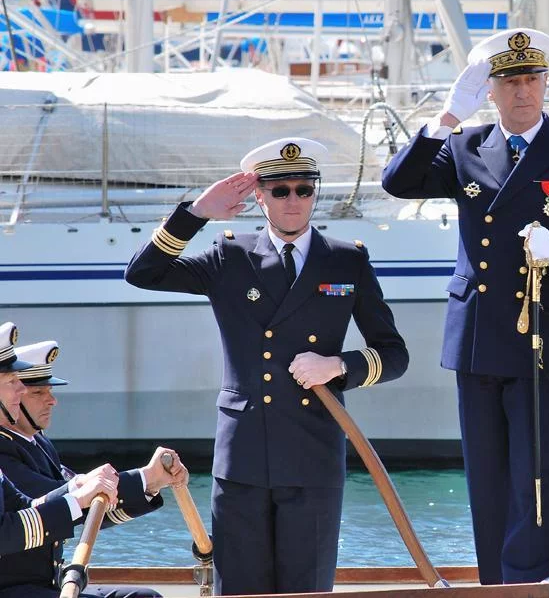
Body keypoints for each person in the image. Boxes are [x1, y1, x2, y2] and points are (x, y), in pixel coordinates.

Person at [382, 28, 549, 584]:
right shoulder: (465, 147)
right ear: (489, 90)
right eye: (510, 81)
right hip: (478, 333)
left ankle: (528, 584)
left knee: (536, 471)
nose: (523, 91)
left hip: (542, 332)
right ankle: (495, 585)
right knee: (486, 474)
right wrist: (446, 117)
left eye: (532, 78)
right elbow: (399, 183)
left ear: (546, 83)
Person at [124, 137, 409, 595]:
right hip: (244, 456)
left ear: (315, 193)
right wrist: (196, 213)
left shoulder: (347, 260)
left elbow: (394, 355)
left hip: (313, 456)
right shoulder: (230, 255)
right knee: (240, 589)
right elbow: (143, 273)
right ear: (260, 196)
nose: (294, 200)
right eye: (280, 190)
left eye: (304, 189)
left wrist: (337, 365)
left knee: (305, 588)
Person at [0, 339, 189, 598]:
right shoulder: (5, 449)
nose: (51, 401)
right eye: (36, 392)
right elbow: (50, 505)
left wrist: (151, 484)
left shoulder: (38, 444)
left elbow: (50, 505)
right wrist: (144, 477)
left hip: (43, 585)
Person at [0, 323, 119, 598]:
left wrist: (79, 490)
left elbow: (26, 506)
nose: (21, 389)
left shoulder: (40, 445)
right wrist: (77, 497)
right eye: (11, 381)